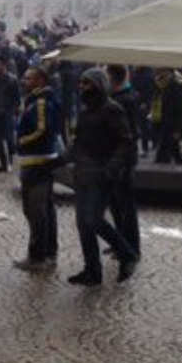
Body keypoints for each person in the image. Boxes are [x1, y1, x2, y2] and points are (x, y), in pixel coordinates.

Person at [66, 68, 139, 286]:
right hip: (83, 174)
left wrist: (110, 169)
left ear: (98, 84)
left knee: (94, 219)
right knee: (83, 224)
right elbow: (78, 143)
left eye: (86, 83)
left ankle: (127, 253)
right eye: (81, 83)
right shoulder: (84, 111)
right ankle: (92, 271)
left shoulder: (112, 109)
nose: (82, 87)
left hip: (101, 174)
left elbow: (125, 142)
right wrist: (58, 160)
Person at [13, 66, 62, 271]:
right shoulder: (35, 99)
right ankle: (48, 252)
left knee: (35, 210)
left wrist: (22, 141)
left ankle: (38, 256)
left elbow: (43, 129)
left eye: (28, 78)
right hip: (39, 160)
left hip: (37, 161)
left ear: (40, 81)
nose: (24, 81)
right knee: (45, 209)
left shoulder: (41, 102)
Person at [106, 65, 142, 257]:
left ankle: (131, 247)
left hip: (123, 161)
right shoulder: (119, 97)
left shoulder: (124, 100)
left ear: (113, 78)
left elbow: (130, 134)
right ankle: (120, 243)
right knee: (115, 204)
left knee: (125, 205)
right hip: (116, 160)